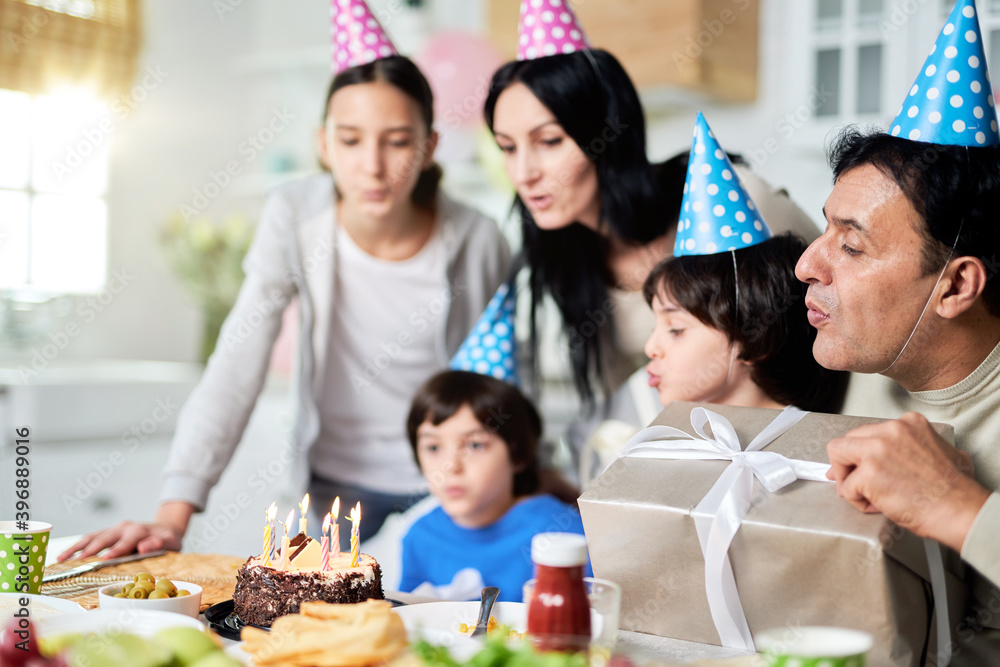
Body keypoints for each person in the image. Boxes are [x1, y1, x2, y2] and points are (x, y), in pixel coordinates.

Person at [58, 2, 509, 561]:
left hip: (448, 492)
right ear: (323, 145)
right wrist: (173, 513)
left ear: (429, 147)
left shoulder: (478, 237)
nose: (372, 165)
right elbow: (237, 357)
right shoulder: (295, 215)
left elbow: (503, 381)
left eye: (396, 141)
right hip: (332, 492)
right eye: (350, 140)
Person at [483, 0, 820, 409]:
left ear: (605, 134)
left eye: (549, 141)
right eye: (507, 147)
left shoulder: (737, 197)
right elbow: (628, 402)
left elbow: (843, 304)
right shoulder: (566, 255)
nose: (523, 173)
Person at [798, 2, 1000, 662]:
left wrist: (958, 507)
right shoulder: (858, 361)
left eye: (851, 248)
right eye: (826, 230)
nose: (808, 264)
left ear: (956, 285)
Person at [399, 370, 589, 602]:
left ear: (517, 455)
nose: (450, 466)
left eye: (475, 445)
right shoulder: (420, 537)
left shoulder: (565, 532)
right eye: (433, 447)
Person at [643, 233, 846, 414]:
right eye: (655, 327)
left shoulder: (802, 449)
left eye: (675, 329)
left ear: (754, 336)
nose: (650, 347)